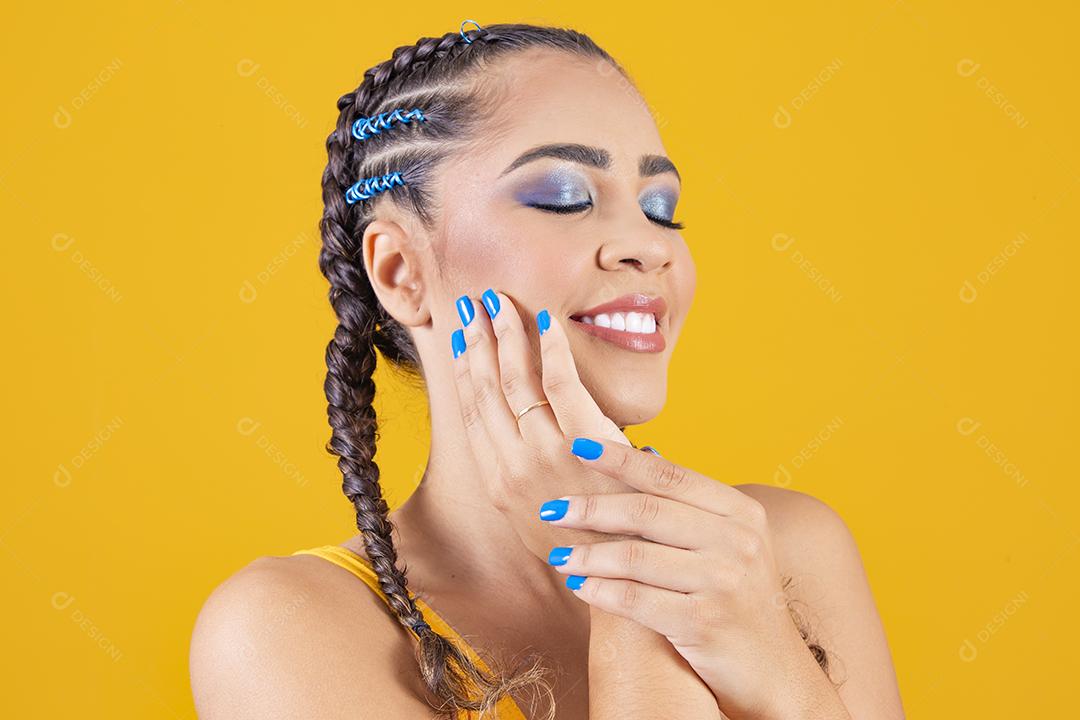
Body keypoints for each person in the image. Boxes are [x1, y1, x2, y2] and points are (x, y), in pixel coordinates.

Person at [189, 21, 904, 720]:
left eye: (662, 210)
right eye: (565, 198)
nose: (648, 248)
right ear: (401, 271)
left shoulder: (782, 550)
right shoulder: (285, 628)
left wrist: (777, 661)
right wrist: (620, 571)